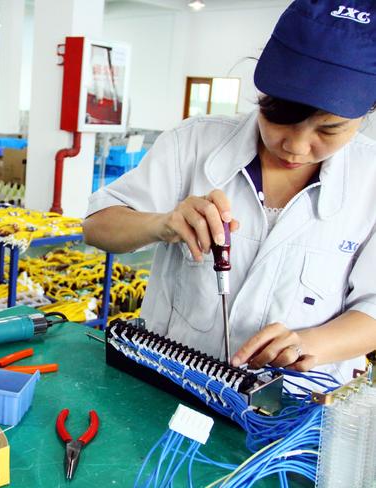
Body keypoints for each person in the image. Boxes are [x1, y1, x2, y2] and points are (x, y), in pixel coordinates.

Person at [84, 0, 376, 384]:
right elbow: (96, 227)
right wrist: (162, 224)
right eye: (280, 119)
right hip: (172, 384)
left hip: (293, 405)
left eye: (328, 130)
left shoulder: (369, 181)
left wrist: (308, 343)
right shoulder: (193, 143)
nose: (296, 147)